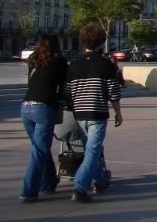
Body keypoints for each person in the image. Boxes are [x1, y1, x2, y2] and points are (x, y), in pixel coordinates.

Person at [65, 23, 123, 203]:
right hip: (97, 113)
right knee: (92, 151)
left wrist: (72, 108)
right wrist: (118, 113)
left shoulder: (74, 64)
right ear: (101, 41)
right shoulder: (105, 64)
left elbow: (68, 92)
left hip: (79, 113)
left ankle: (102, 180)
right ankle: (80, 187)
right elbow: (113, 92)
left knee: (92, 150)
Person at [19, 34, 68, 202]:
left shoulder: (33, 60)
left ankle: (48, 182)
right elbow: (63, 88)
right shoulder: (60, 62)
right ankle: (28, 191)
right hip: (43, 107)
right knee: (39, 151)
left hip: (25, 107)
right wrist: (62, 106)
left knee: (40, 147)